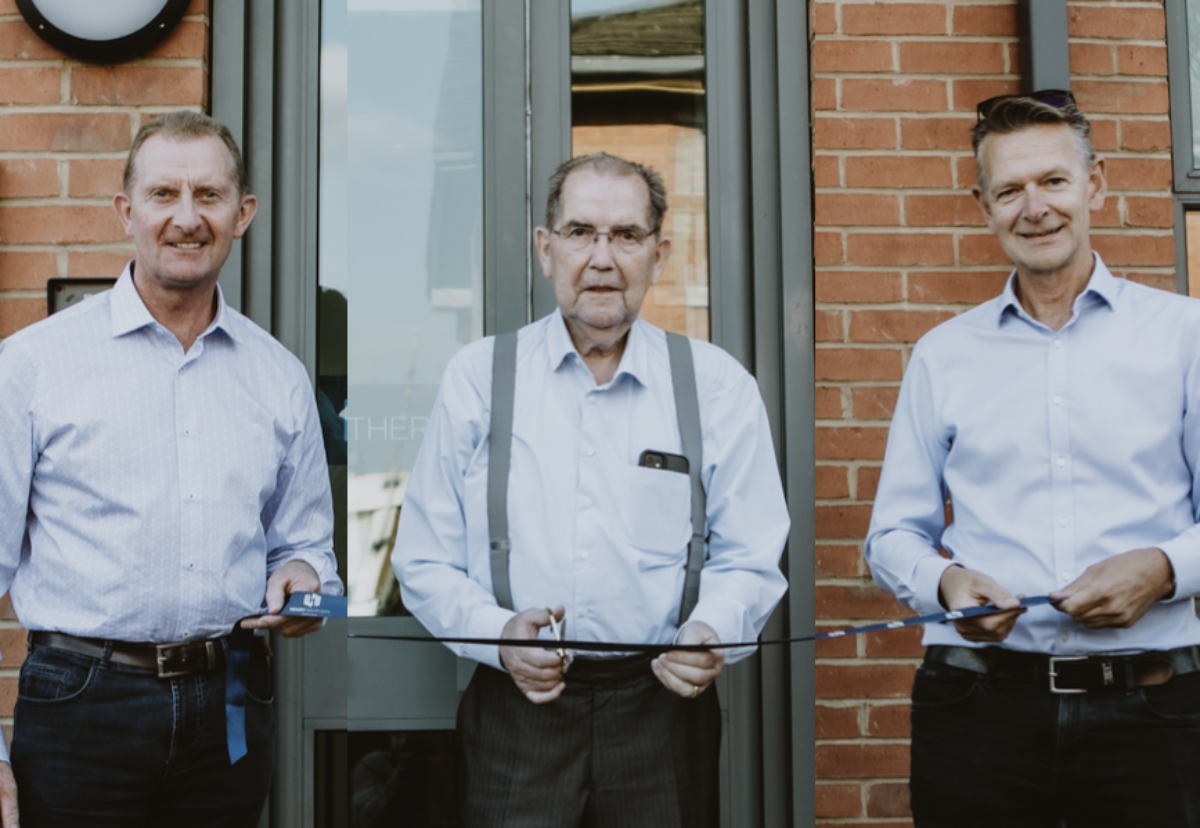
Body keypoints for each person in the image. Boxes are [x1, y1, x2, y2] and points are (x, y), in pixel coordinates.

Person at [392, 153, 789, 826]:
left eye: (626, 236)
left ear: (660, 256)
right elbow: (422, 560)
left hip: (661, 713)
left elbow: (752, 555)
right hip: (518, 710)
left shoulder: (717, 386)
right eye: (580, 232)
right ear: (546, 250)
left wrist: (712, 627)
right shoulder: (479, 378)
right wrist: (498, 635)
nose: (602, 258)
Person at [865, 90, 1200, 827]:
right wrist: (947, 583)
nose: (1035, 207)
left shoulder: (1185, 337)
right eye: (1010, 190)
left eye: (1053, 181)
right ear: (984, 206)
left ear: (1096, 185)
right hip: (979, 708)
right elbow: (891, 536)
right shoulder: (942, 355)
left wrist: (1166, 570)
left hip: (1156, 705)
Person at [0, 110, 343, 827]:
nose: (187, 218)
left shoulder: (279, 377)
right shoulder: (33, 365)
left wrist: (307, 580)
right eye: (163, 195)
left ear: (242, 213)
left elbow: (310, 552)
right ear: (126, 212)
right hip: (79, 704)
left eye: (209, 196)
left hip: (231, 702)